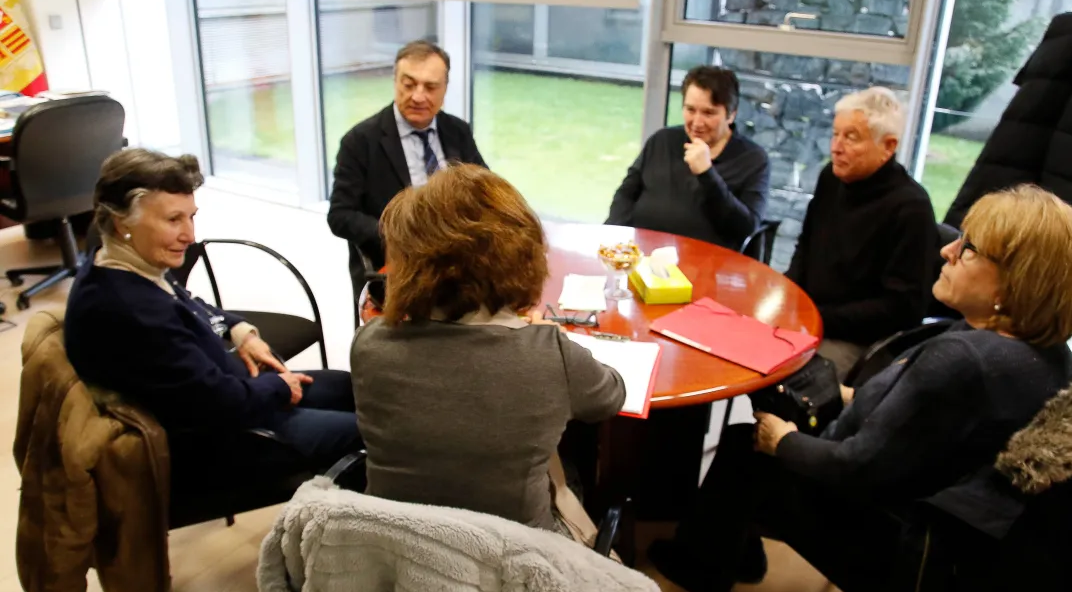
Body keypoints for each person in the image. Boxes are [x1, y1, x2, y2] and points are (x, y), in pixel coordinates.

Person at [647, 185, 1072, 592]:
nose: (947, 251)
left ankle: (702, 565)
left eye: (969, 249)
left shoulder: (962, 360)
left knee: (745, 441)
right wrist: (850, 396)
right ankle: (734, 553)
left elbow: (854, 466)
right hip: (951, 532)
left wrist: (781, 441)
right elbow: (933, 425)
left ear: (1013, 282)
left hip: (885, 534)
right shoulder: (1051, 357)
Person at [350, 164, 626, 536]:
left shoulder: (369, 345)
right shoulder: (549, 353)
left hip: (397, 543)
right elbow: (611, 396)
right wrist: (548, 338)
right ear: (520, 258)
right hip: (513, 552)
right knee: (571, 466)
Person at [65, 148, 363, 472]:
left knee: (348, 387)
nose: (189, 235)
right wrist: (279, 386)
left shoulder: (123, 259)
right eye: (173, 220)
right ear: (121, 221)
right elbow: (217, 403)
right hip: (223, 438)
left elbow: (186, 300)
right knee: (377, 432)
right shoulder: (130, 311)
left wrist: (239, 331)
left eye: (191, 217)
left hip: (234, 395)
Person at [787, 86, 939, 378]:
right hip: (811, 315)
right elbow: (806, 245)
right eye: (835, 134)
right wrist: (791, 297)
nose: (836, 147)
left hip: (856, 338)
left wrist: (816, 317)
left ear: (888, 146)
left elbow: (902, 308)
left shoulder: (911, 208)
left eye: (851, 137)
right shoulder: (830, 178)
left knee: (794, 381)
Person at [327, 40, 487, 307]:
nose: (418, 97)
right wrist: (402, 235)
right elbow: (340, 216)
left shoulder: (457, 131)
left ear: (445, 89)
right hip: (396, 269)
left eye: (430, 87)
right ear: (395, 82)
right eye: (409, 85)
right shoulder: (360, 141)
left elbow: (484, 192)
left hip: (457, 262)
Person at [605, 65, 769, 252]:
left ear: (731, 115)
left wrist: (707, 174)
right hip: (643, 256)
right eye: (690, 110)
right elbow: (625, 195)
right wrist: (614, 240)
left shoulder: (753, 160)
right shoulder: (662, 140)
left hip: (709, 263)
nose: (697, 123)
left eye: (708, 113)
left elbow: (745, 228)